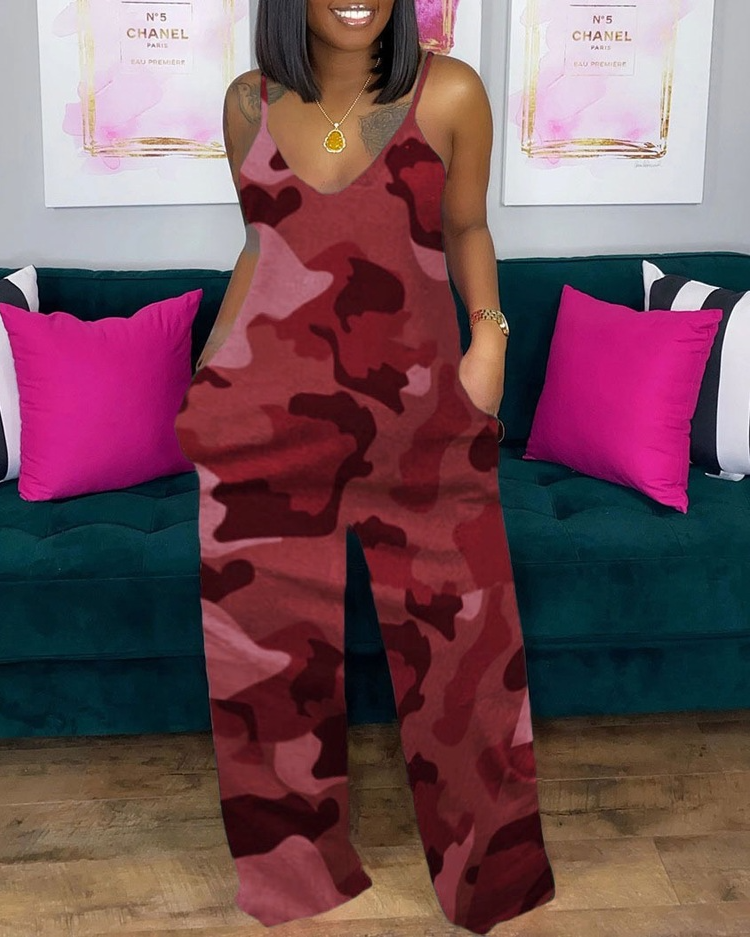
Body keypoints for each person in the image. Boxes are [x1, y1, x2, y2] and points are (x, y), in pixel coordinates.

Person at [173, 0, 555, 931]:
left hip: (423, 419)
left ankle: (490, 877)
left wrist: (491, 339)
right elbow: (260, 247)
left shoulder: (448, 92)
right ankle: (296, 874)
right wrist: (209, 369)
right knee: (265, 663)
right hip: (267, 413)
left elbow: (467, 228)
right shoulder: (248, 103)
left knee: (469, 653)